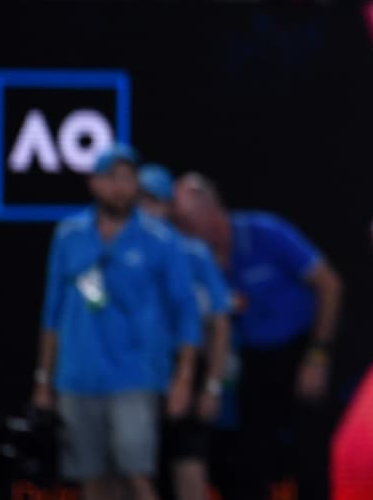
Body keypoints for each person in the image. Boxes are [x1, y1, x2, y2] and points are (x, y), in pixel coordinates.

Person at [32, 144, 200, 500]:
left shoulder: (160, 239)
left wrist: (183, 377)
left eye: (127, 177)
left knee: (137, 476)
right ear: (93, 183)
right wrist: (43, 380)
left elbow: (186, 310)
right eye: (110, 177)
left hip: (136, 375)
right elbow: (52, 312)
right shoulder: (68, 235)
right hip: (77, 376)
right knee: (92, 480)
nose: (119, 186)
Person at [171, 173, 342, 500]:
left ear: (209, 210)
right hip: (249, 363)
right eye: (178, 221)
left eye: (185, 220)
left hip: (299, 350)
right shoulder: (194, 258)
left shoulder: (265, 232)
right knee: (247, 458)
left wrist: (318, 355)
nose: (181, 228)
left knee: (310, 454)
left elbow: (329, 285)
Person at [138, 164, 232, 500]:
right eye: (140, 201)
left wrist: (211, 385)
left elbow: (219, 322)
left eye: (153, 201)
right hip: (131, 374)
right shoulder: (115, 250)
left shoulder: (193, 252)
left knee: (188, 470)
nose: (146, 210)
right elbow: (93, 306)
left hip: (185, 374)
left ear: (168, 207)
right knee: (130, 473)